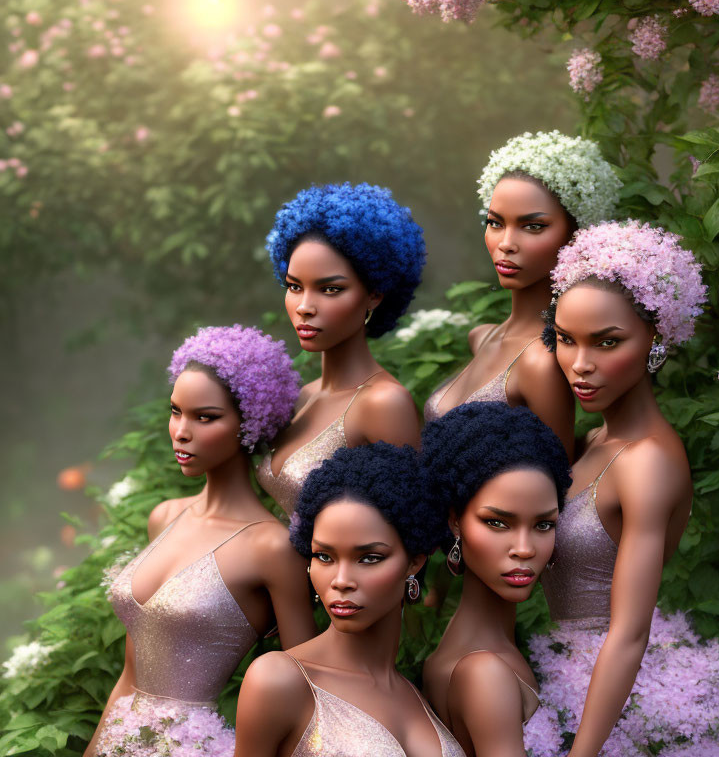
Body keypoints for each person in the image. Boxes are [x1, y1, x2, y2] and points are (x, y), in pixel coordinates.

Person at [531, 221, 719, 756]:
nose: (580, 365)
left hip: (618, 703)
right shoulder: (593, 441)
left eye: (607, 343)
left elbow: (629, 632)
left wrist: (583, 753)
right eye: (565, 339)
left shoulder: (647, 462)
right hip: (562, 672)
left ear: (657, 336)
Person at [86, 325, 317, 757]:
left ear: (250, 421)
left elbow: (304, 690)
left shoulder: (271, 547)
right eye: (176, 412)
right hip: (119, 740)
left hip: (195, 746)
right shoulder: (165, 517)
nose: (181, 431)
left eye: (205, 417)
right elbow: (130, 674)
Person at [235, 442, 466, 757]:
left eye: (369, 558)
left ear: (415, 561)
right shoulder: (279, 680)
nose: (341, 581)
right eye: (324, 556)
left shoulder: (417, 694)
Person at [424, 130, 622, 461]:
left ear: (577, 234)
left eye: (532, 226)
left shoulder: (543, 362)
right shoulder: (484, 337)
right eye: (495, 223)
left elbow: (554, 494)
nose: (506, 243)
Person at [257, 183, 425, 515]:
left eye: (330, 289)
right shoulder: (303, 397)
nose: (304, 306)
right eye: (294, 286)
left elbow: (410, 539)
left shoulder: (383, 404)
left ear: (375, 294)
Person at [421, 403, 571, 757]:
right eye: (498, 523)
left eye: (543, 525)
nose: (524, 549)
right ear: (454, 520)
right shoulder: (484, 674)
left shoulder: (455, 656)